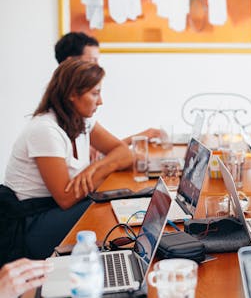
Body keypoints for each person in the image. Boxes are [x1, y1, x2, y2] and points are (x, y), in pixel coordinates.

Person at [2, 58, 133, 260]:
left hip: (55, 209)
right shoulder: (45, 129)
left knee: (118, 204)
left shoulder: (83, 121)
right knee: (108, 211)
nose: (101, 101)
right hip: (31, 222)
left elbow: (124, 153)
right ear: (72, 94)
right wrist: (105, 168)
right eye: (95, 93)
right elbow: (66, 198)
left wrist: (94, 168)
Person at [55, 32, 160, 144]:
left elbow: (109, 150)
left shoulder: (83, 115)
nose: (97, 66)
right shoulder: (54, 121)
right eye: (92, 60)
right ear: (70, 62)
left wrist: (141, 137)